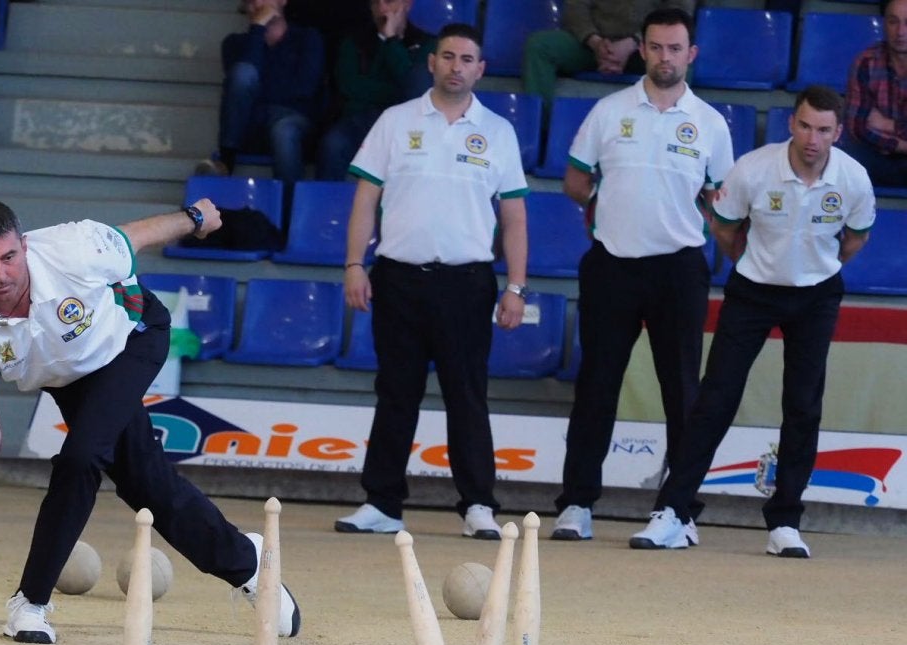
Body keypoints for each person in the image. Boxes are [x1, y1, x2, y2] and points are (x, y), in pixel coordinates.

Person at [0, 199, 301, 645]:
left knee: (81, 457)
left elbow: (136, 236)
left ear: (25, 245)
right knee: (146, 483)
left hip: (131, 338)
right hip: (70, 377)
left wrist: (197, 218)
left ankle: (30, 602)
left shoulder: (73, 248)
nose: (2, 275)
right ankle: (248, 562)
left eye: (10, 257)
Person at [644, 86, 875, 558]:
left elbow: (855, 239)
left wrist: (814, 267)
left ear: (839, 133)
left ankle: (785, 522)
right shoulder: (752, 168)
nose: (813, 138)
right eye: (806, 126)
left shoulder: (854, 179)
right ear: (792, 123)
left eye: (825, 130)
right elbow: (725, 228)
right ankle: (674, 512)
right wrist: (751, 263)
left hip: (816, 295)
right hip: (752, 291)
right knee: (715, 399)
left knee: (803, 405)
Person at [333, 23, 530, 539]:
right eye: (448, 56)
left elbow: (514, 218)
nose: (457, 66)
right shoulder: (395, 122)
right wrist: (355, 263)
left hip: (468, 283)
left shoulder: (500, 132)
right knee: (395, 392)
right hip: (398, 279)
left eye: (467, 59)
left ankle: (478, 504)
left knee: (468, 395)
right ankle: (382, 503)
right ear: (432, 63)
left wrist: (516, 287)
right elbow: (365, 200)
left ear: (481, 69)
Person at [553, 8, 734, 547]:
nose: (664, 57)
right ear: (643, 49)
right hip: (611, 264)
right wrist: (603, 205)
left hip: (679, 268)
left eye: (674, 48)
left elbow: (720, 198)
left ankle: (679, 511)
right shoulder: (609, 112)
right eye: (655, 47)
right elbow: (574, 179)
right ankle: (578, 504)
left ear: (690, 54)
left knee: (681, 392)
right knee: (596, 387)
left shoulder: (711, 123)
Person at [194, 0, 326, 189]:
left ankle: (289, 212)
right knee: (244, 72)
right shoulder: (234, 44)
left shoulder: (307, 38)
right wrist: (257, 29)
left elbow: (304, 89)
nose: (258, 3)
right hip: (251, 127)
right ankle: (226, 162)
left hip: (293, 122)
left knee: (283, 130)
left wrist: (258, 93)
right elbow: (239, 86)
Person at [315, 0, 433, 181]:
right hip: (359, 119)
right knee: (333, 143)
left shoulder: (426, 43)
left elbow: (415, 90)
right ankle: (324, 205)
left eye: (389, 1)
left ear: (407, 4)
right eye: (375, 3)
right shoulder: (353, 41)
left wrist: (391, 41)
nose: (382, 9)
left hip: (405, 123)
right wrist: (397, 93)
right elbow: (350, 86)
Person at [522, 0, 695, 109]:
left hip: (648, 47)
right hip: (593, 45)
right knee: (541, 46)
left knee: (680, 63)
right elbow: (575, 8)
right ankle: (541, 133)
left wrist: (633, 43)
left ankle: (670, 132)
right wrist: (595, 42)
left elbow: (679, 15)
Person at [842, 0, 907, 189]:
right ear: (884, 23)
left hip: (886, 149)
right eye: (893, 21)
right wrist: (902, 145)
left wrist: (888, 125)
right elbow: (858, 127)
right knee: (847, 156)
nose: (901, 32)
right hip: (875, 157)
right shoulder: (866, 62)